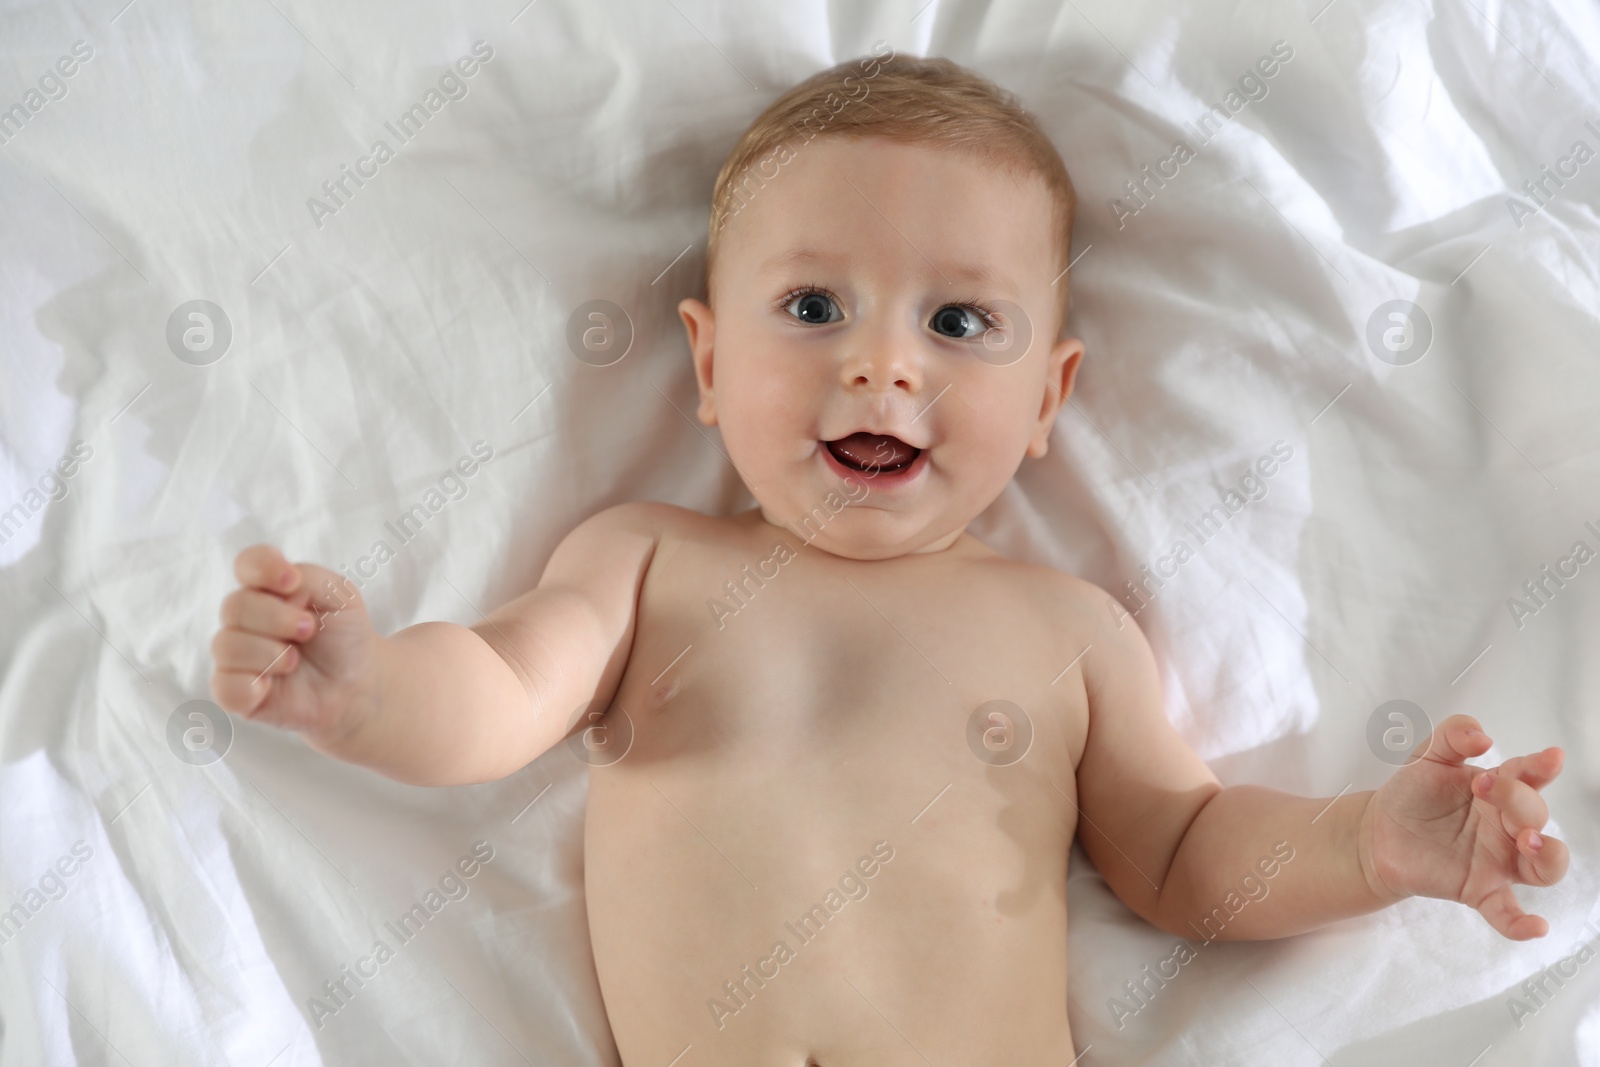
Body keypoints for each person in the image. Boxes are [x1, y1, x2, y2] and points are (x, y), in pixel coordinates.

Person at [209, 51, 1568, 1064]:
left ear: (1050, 399)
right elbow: (500, 694)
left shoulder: (1067, 632)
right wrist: (373, 690)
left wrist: (1362, 845)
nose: (882, 361)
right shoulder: (641, 564)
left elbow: (1188, 854)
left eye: (962, 323)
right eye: (812, 307)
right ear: (706, 361)